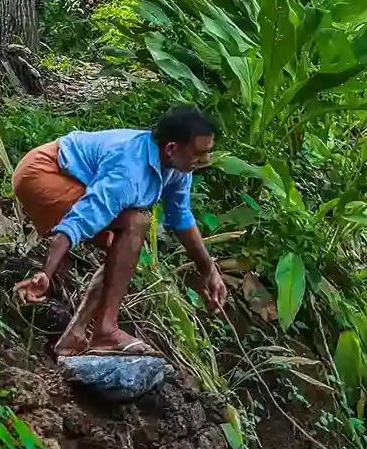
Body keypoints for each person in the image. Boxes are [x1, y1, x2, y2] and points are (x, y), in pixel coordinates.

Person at [12, 105, 227, 356]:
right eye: (199, 154)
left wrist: (208, 270)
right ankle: (104, 331)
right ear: (171, 148)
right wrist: (45, 275)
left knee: (123, 248)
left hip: (67, 171)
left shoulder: (177, 166)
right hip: (42, 171)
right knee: (135, 224)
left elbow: (181, 217)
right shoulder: (128, 171)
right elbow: (78, 221)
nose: (206, 161)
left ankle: (76, 336)